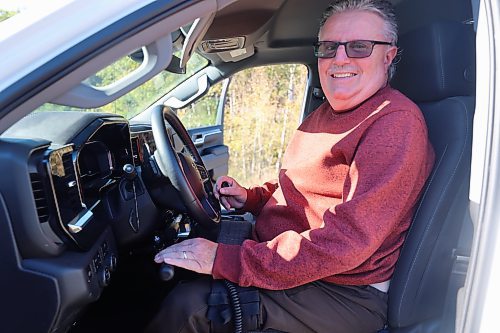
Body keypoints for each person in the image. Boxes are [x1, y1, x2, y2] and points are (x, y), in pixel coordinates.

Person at [147, 0, 435, 332]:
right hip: (295, 261)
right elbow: (300, 181)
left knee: (191, 306)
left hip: (343, 291)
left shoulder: (394, 124)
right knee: (172, 259)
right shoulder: (327, 112)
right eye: (329, 48)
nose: (340, 58)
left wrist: (224, 259)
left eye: (359, 47)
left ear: (388, 56)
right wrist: (253, 197)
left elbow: (346, 242)